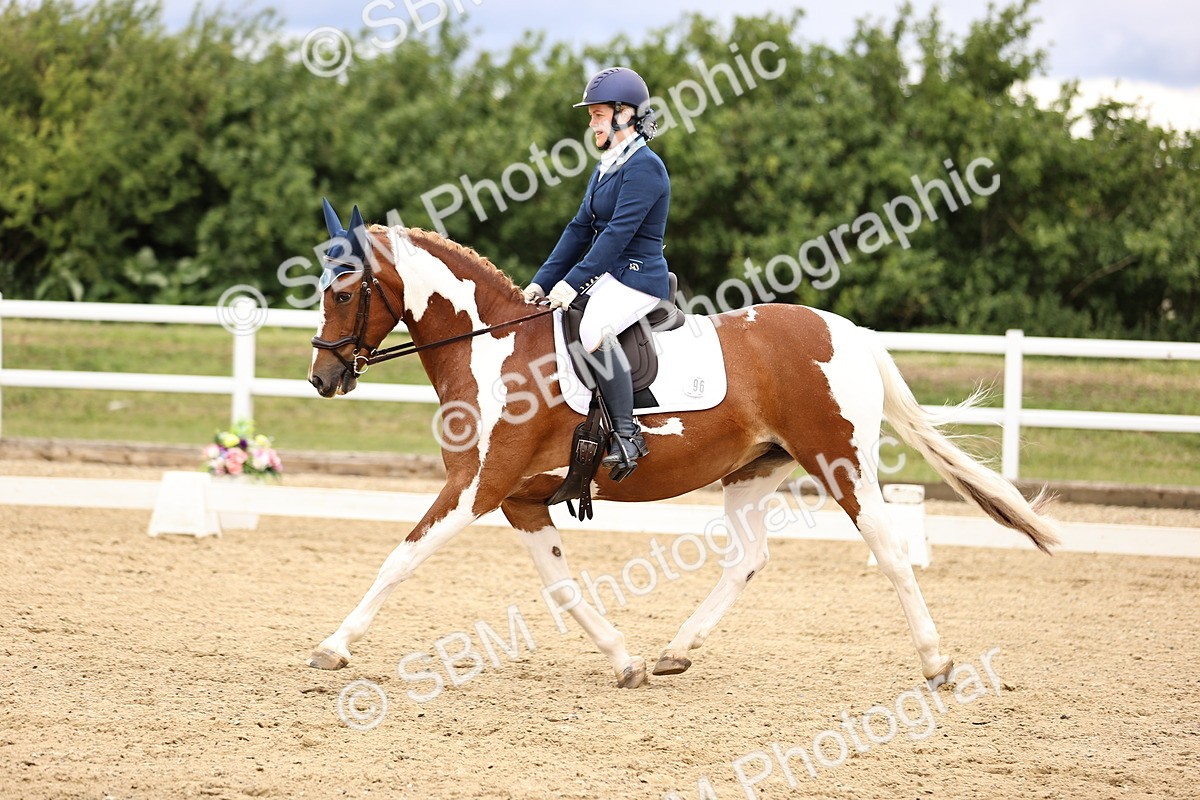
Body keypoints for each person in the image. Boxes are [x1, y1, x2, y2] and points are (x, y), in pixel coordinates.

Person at [523, 66, 670, 482]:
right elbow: (579, 229)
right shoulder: (607, 165)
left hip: (638, 277)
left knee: (594, 331)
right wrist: (542, 281)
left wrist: (572, 284)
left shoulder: (645, 167)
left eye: (598, 114)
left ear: (625, 114)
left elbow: (618, 237)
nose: (591, 123)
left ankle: (628, 435)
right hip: (612, 275)